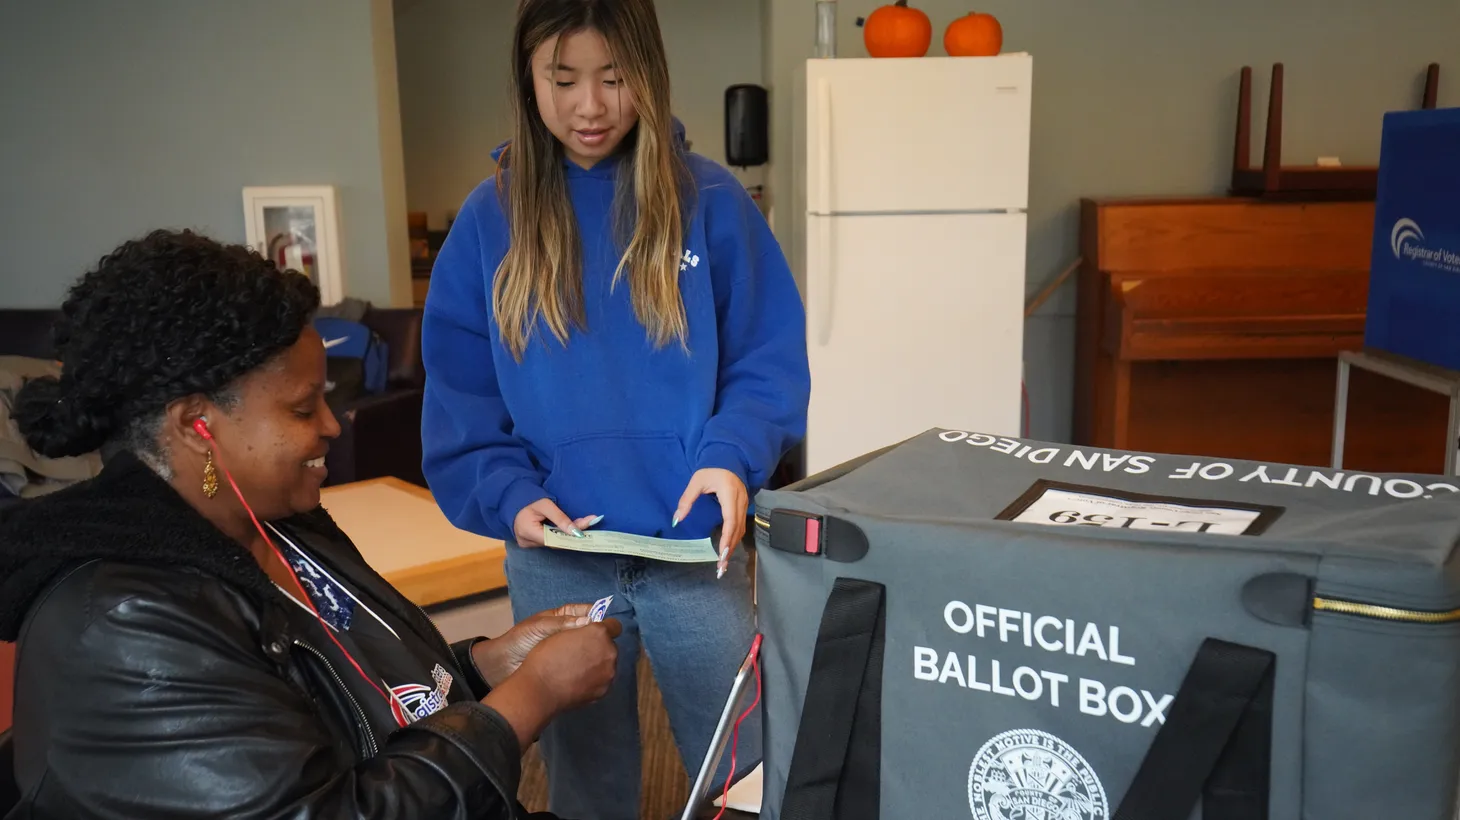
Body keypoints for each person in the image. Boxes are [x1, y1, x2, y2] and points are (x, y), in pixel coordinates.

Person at [0, 229, 621, 819]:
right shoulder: (127, 629)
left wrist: (487, 666)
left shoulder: (280, 527)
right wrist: (531, 698)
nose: (332, 425)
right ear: (198, 425)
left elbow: (348, 702)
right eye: (302, 408)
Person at [420, 0, 811, 815]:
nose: (589, 106)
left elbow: (765, 362)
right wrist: (509, 496)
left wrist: (728, 456)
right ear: (528, 78)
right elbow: (462, 394)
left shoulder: (712, 201)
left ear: (650, 73)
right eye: (562, 79)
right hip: (556, 553)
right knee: (584, 778)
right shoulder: (489, 219)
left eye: (614, 77)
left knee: (742, 766)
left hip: (694, 556)